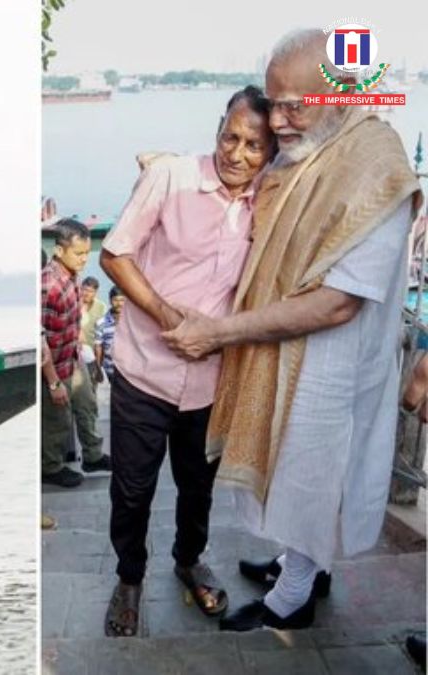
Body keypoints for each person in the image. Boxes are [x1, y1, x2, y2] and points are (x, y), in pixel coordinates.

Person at [161, 29, 423, 632]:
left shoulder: (374, 168)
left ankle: (294, 600)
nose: (277, 121)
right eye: (273, 103)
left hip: (330, 358)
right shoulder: (320, 143)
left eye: (292, 105)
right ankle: (300, 564)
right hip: (285, 351)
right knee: (293, 472)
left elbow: (336, 305)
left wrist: (223, 332)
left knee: (311, 472)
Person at [98, 85, 276, 637]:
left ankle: (188, 560)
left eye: (253, 145)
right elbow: (114, 252)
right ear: (217, 130)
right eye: (230, 136)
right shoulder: (170, 178)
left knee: (197, 488)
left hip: (210, 382)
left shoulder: (268, 200)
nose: (236, 154)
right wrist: (162, 312)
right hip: (143, 371)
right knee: (132, 490)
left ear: (269, 154)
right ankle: (129, 579)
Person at [41, 219, 110, 489]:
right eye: (78, 254)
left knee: (88, 405)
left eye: (86, 253)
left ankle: (92, 456)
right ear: (59, 250)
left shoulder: (72, 276)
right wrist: (53, 382)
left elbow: (70, 322)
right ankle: (51, 467)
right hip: (54, 367)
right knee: (57, 419)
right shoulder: (49, 286)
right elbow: (40, 339)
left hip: (72, 357)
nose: (84, 259)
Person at [93, 286, 124, 386]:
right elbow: (98, 347)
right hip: (110, 370)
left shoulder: (132, 321)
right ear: (110, 301)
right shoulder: (101, 323)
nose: (119, 303)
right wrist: (98, 368)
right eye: (115, 300)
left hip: (130, 371)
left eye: (122, 300)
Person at [80, 277, 107, 386]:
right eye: (84, 290)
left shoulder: (101, 307)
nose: (86, 294)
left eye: (90, 291)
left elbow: (100, 337)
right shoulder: (74, 302)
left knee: (92, 386)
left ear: (96, 293)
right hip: (74, 352)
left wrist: (99, 362)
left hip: (92, 354)